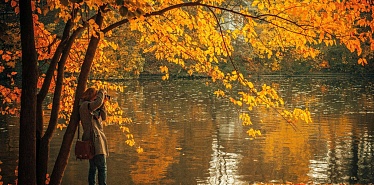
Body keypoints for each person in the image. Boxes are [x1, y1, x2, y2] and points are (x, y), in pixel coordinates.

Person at [79, 87, 109, 185]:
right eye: (96, 95)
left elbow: (104, 117)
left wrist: (103, 103)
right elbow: (97, 103)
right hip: (93, 140)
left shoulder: (93, 108)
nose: (97, 98)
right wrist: (102, 91)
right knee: (102, 167)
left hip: (96, 140)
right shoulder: (85, 105)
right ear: (92, 95)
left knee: (94, 167)